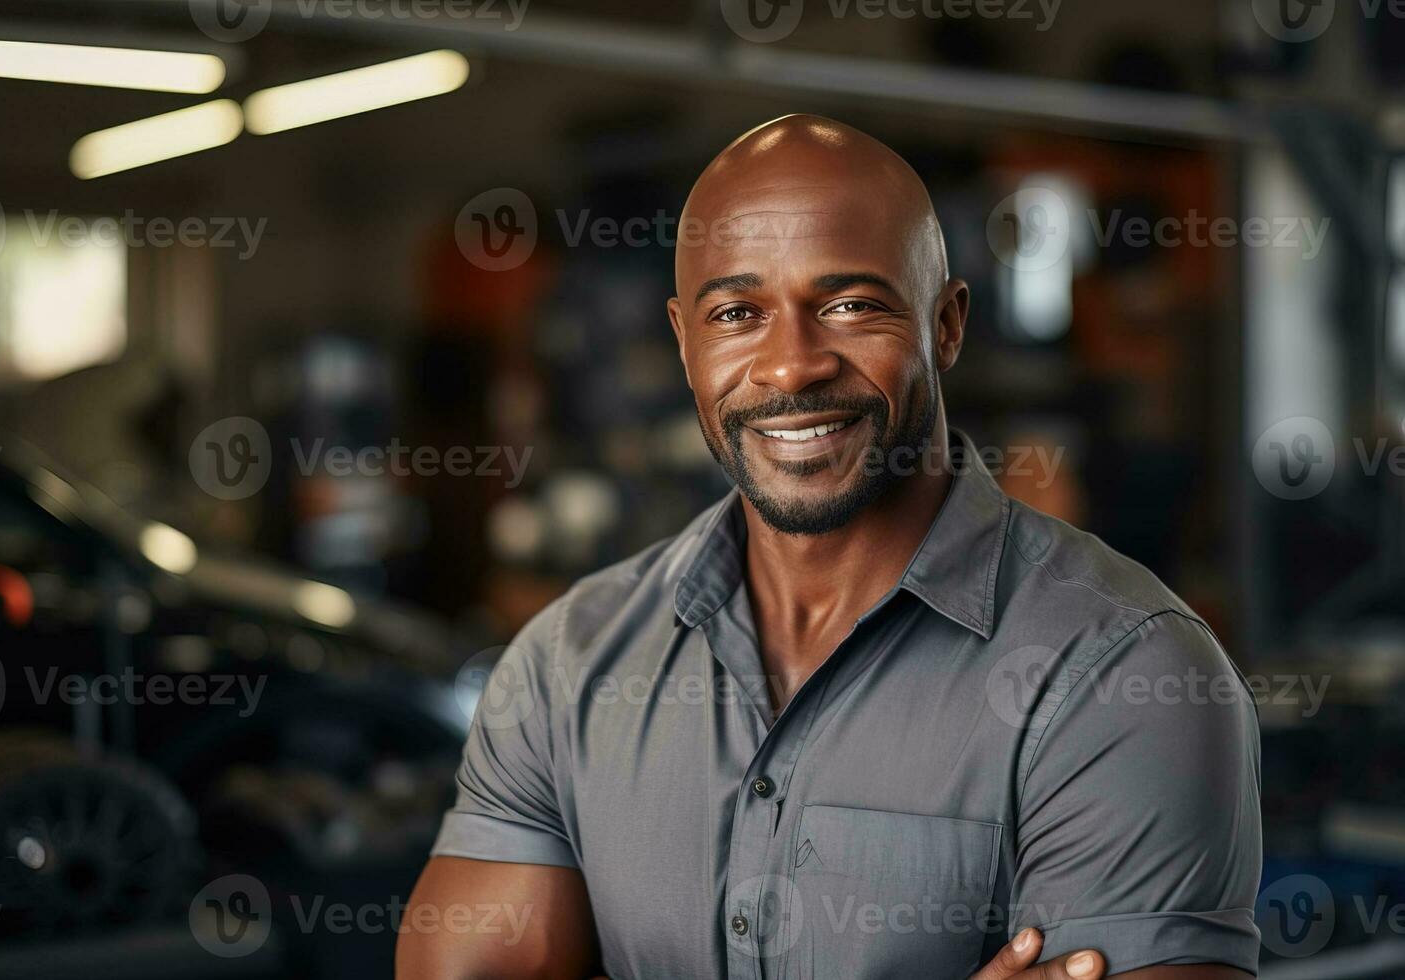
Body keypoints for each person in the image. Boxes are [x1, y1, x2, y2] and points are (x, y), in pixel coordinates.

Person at [398, 114, 1261, 979]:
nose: (791, 366)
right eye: (737, 313)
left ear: (947, 324)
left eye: (850, 305)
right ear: (683, 342)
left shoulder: (1120, 674)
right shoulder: (567, 664)